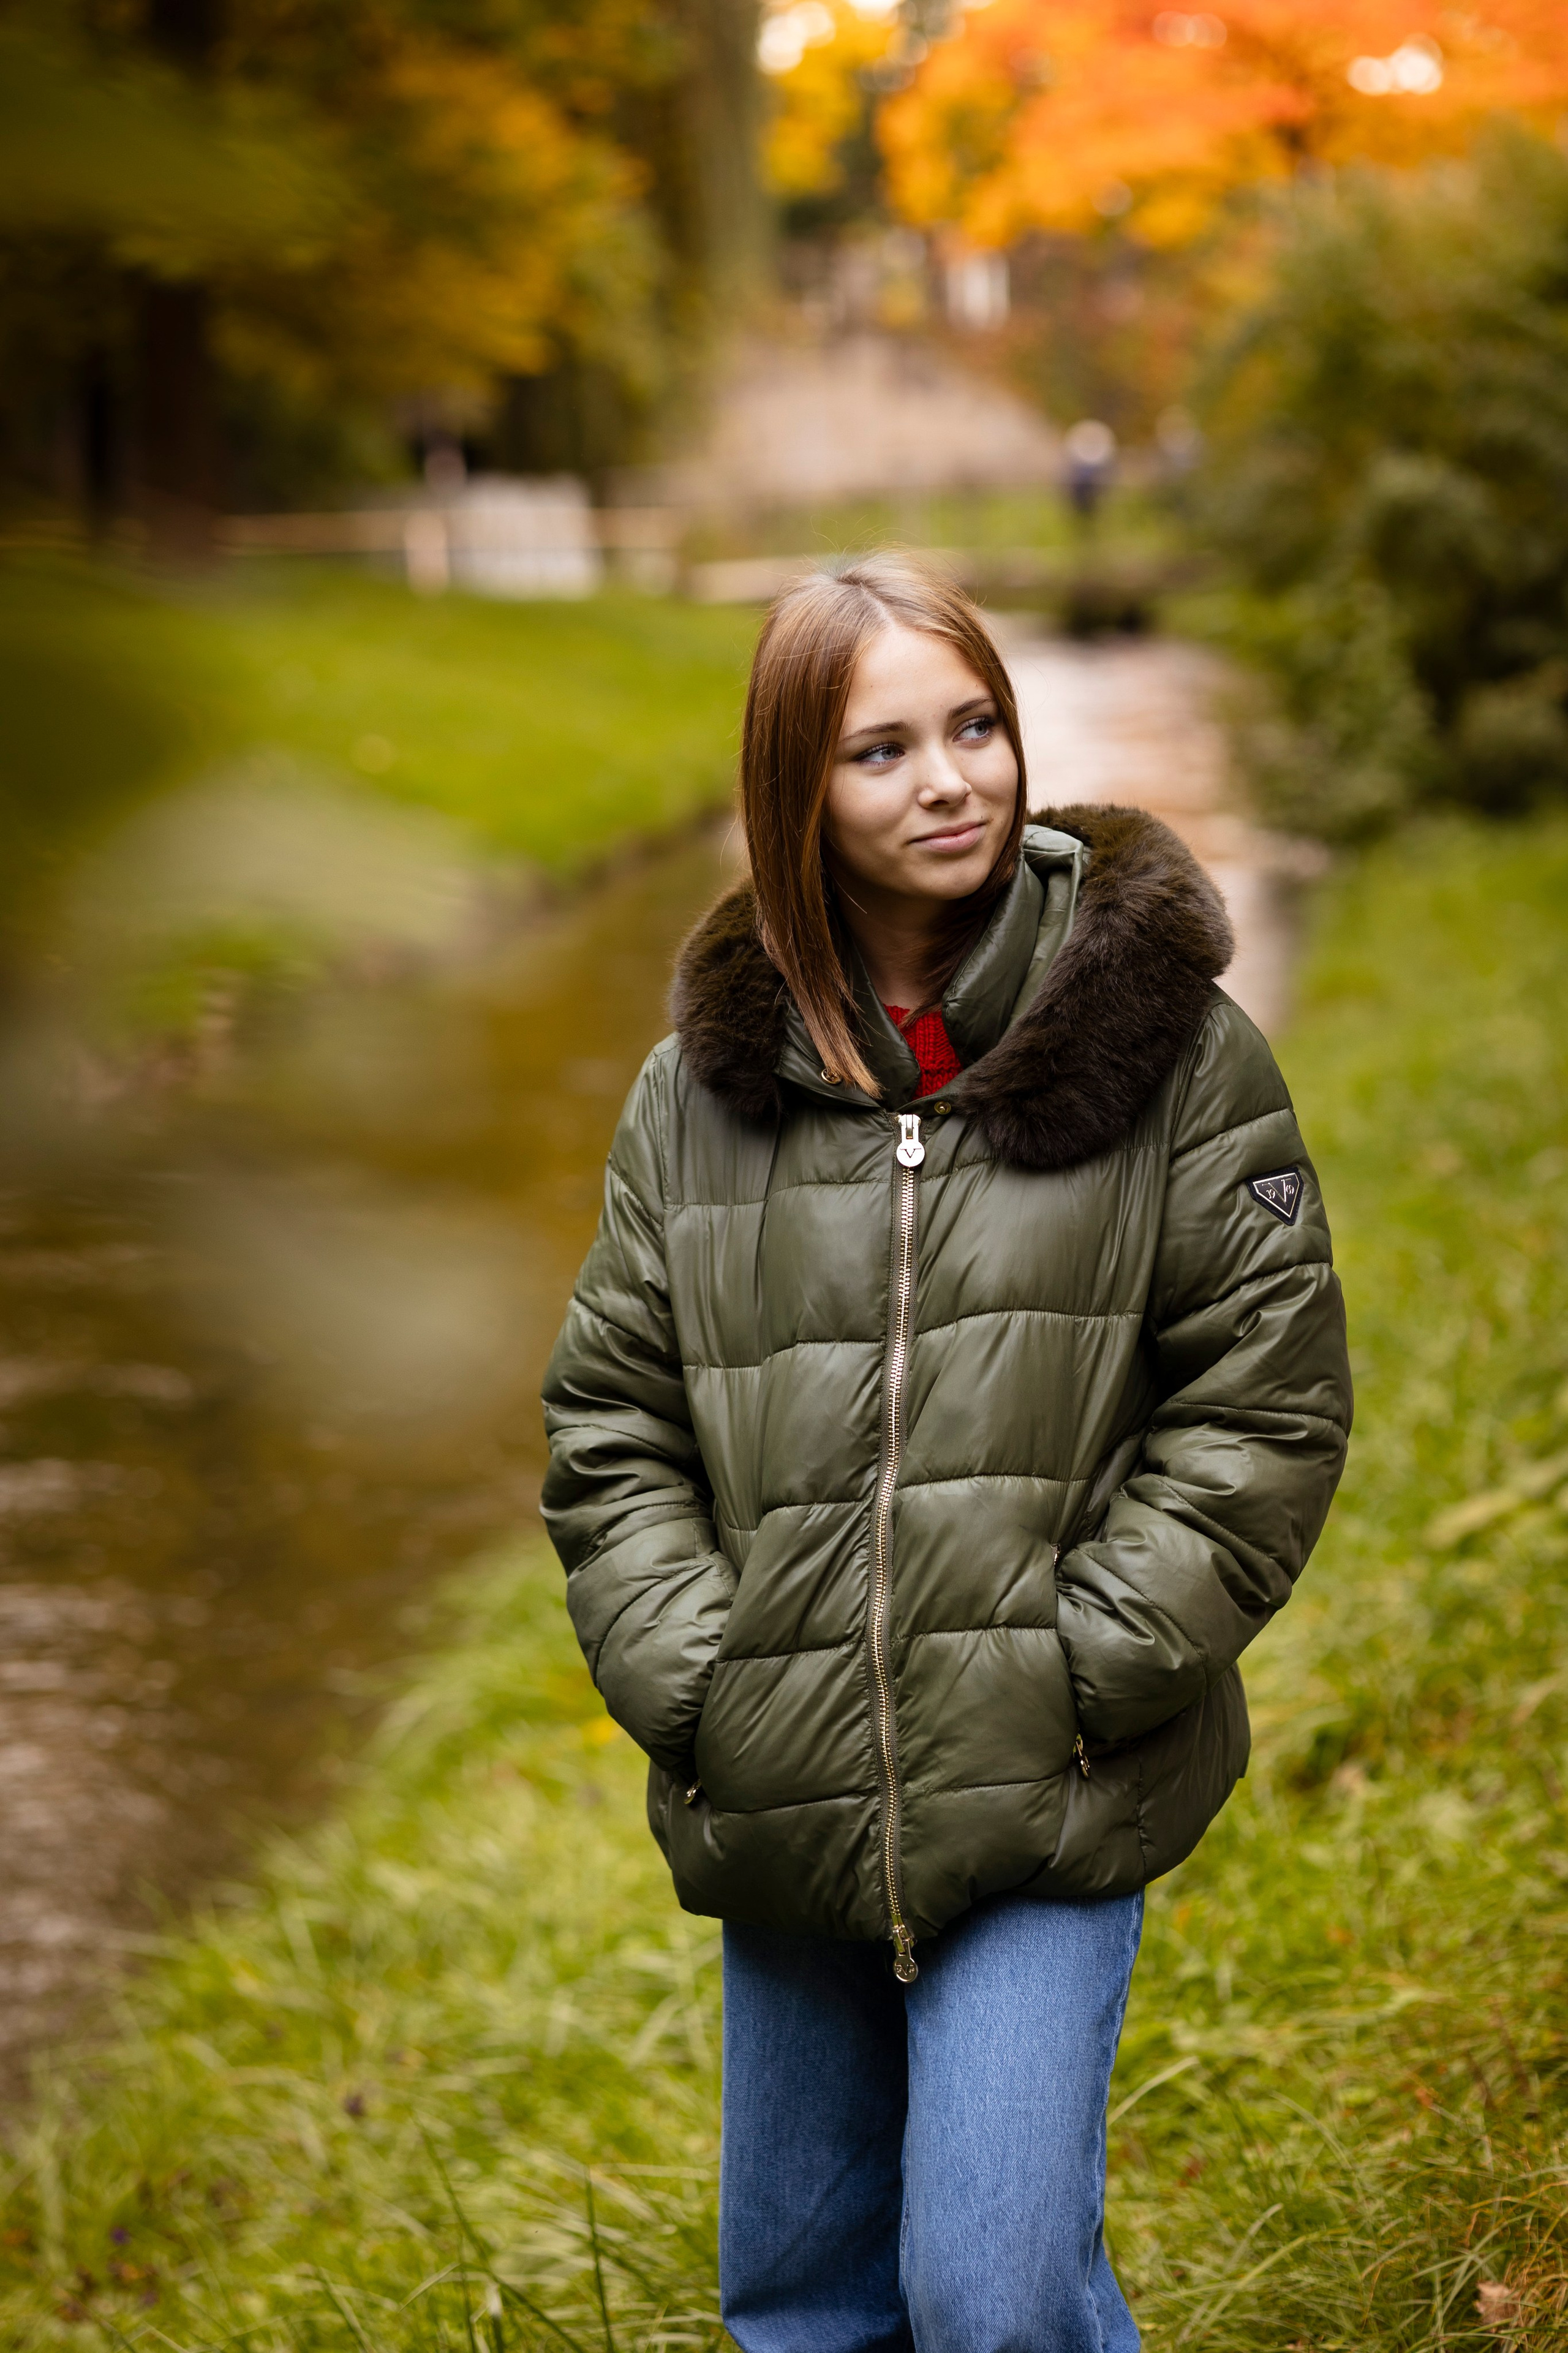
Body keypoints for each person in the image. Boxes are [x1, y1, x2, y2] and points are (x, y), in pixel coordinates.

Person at [541, 555, 1352, 2353]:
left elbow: (1264, 1406)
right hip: (782, 1775)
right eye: (883, 750)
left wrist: (1072, 1672)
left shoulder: (1173, 1056)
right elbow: (612, 1422)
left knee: (993, 2300)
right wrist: (711, 1683)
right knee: (805, 2307)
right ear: (795, 793)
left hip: (1051, 1779)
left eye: (975, 725)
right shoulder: (697, 1095)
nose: (950, 781)